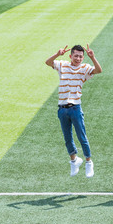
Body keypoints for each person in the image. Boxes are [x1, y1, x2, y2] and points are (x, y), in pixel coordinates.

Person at [45, 44, 101, 177]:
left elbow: (98, 70)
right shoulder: (62, 65)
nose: (78, 58)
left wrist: (93, 58)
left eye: (81, 56)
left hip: (75, 107)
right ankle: (74, 160)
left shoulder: (85, 68)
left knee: (82, 136)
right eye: (76, 56)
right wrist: (57, 54)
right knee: (67, 138)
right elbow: (48, 62)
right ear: (70, 56)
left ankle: (88, 162)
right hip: (62, 108)